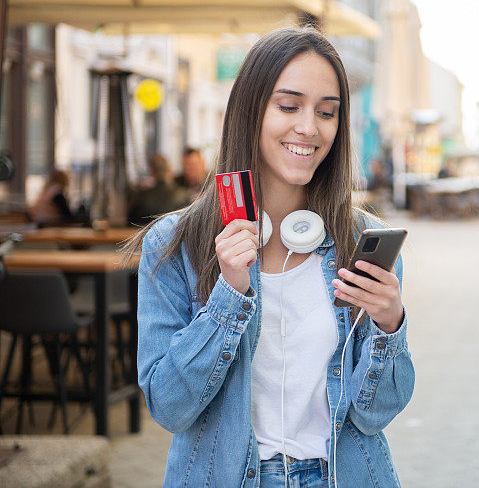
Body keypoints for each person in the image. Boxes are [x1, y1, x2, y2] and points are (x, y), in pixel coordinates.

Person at [122, 26, 413, 488]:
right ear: (250, 110)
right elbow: (169, 408)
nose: (309, 127)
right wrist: (227, 295)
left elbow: (375, 414)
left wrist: (389, 327)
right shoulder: (174, 243)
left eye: (326, 112)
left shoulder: (363, 241)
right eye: (288, 105)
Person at [127, 154, 192, 226]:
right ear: (170, 169)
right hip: (176, 236)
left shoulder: (141, 198)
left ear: (152, 172)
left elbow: (131, 223)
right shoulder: (185, 196)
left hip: (148, 236)